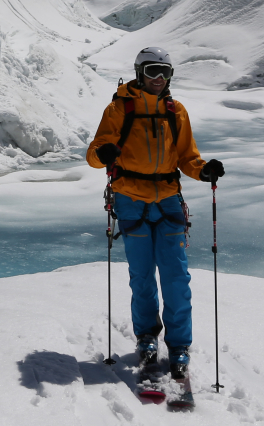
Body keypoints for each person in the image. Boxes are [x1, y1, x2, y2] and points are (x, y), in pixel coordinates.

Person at [88, 48, 224, 379]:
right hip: (130, 200)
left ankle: (178, 344)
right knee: (143, 275)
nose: (158, 79)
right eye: (152, 71)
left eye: (164, 72)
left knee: (177, 277)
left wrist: (204, 170)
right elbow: (95, 154)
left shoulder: (176, 112)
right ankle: (147, 335)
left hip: (167, 200)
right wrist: (104, 153)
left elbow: (187, 157)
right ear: (139, 72)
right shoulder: (119, 109)